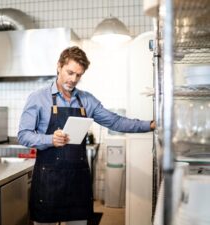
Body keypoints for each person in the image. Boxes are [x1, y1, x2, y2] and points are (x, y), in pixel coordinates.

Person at [18, 46, 156, 225]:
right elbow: (23, 135)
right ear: (59, 66)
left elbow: (115, 122)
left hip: (77, 180)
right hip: (48, 181)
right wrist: (49, 139)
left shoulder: (87, 100)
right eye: (70, 72)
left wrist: (150, 125)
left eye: (78, 75)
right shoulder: (38, 98)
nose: (73, 79)